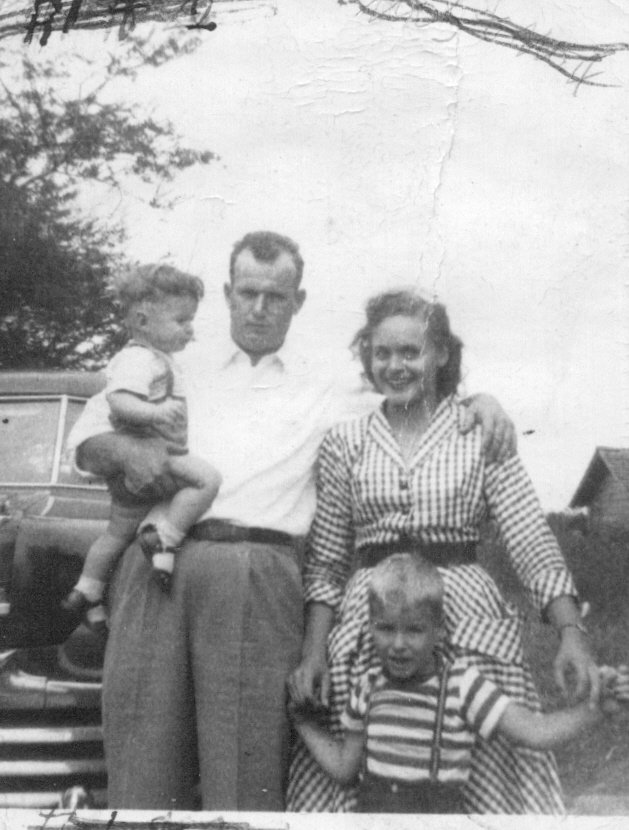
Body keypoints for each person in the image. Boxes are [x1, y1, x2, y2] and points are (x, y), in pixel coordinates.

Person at [74, 233, 515, 811]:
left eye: (276, 297)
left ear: (297, 300)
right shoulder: (171, 361)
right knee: (141, 761)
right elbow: (88, 440)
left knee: (245, 774)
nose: (259, 308)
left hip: (257, 570)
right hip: (156, 560)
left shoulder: (328, 380)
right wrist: (126, 450)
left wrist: (478, 400)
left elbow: (413, 389)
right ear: (228, 293)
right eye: (248, 293)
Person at [287, 288, 598, 814]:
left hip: (468, 624)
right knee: (358, 779)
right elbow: (327, 560)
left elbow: (529, 537)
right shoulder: (346, 442)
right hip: (372, 624)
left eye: (410, 352)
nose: (395, 366)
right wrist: (314, 650)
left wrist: (571, 631)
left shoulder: (479, 430)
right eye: (382, 353)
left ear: (440, 354)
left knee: (485, 780)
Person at [290, 553, 625, 814]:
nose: (398, 644)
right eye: (386, 629)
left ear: (439, 631)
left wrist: (597, 710)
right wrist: (303, 723)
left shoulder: (461, 685)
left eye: (414, 630)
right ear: (370, 627)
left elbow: (534, 732)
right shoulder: (367, 688)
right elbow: (344, 768)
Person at [64, 264, 221, 628]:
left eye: (191, 320)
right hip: (146, 452)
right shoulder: (139, 359)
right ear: (142, 321)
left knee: (116, 533)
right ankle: (166, 538)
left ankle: (87, 588)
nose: (190, 329)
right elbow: (119, 401)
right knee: (207, 481)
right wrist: (155, 412)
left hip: (138, 470)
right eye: (182, 320)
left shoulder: (159, 359)